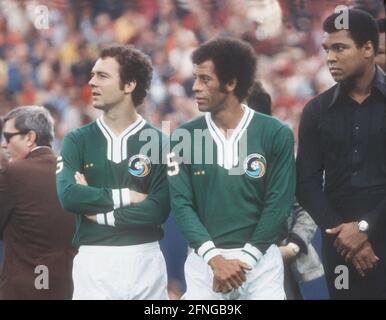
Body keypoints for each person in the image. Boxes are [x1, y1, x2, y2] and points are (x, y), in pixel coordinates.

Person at [168, 37, 295, 300]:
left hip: (261, 266)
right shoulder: (183, 136)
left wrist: (245, 259)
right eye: (195, 78)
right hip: (204, 264)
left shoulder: (276, 132)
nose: (195, 87)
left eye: (205, 79)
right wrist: (215, 259)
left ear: (231, 83)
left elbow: (278, 205)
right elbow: (181, 204)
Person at [56, 44, 170, 300]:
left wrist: (97, 214)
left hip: (145, 258)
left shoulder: (162, 142)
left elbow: (158, 209)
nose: (91, 82)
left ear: (129, 85)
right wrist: (126, 196)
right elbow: (69, 196)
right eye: (93, 74)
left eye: (102, 76)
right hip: (94, 258)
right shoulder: (76, 139)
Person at [296, 9, 386, 299]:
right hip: (340, 250)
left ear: (368, 49)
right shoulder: (315, 111)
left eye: (340, 48)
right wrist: (342, 232)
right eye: (326, 49)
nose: (330, 57)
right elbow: (306, 183)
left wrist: (364, 228)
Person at [247, 82, 324, 300]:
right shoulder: (212, 156)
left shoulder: (280, 155)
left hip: (276, 262)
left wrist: (292, 247)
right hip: (227, 263)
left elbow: (305, 205)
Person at [0, 106, 75, 300]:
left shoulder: (13, 173)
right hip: (68, 287)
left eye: (8, 137)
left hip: (24, 289)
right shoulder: (73, 172)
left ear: (29, 137)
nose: (4, 144)